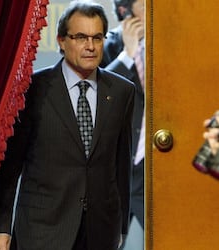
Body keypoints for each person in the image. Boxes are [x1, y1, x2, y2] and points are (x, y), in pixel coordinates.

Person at [0, 1, 135, 249]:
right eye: (80, 37)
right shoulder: (31, 90)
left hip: (100, 231)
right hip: (42, 229)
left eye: (97, 38)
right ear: (61, 40)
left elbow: (121, 166)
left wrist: (120, 228)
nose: (90, 46)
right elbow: (9, 168)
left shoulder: (122, 91)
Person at [99, 0, 145, 249]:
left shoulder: (172, 38)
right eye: (147, 7)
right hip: (118, 169)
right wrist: (127, 55)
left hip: (155, 167)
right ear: (126, 12)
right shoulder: (109, 44)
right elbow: (99, 97)